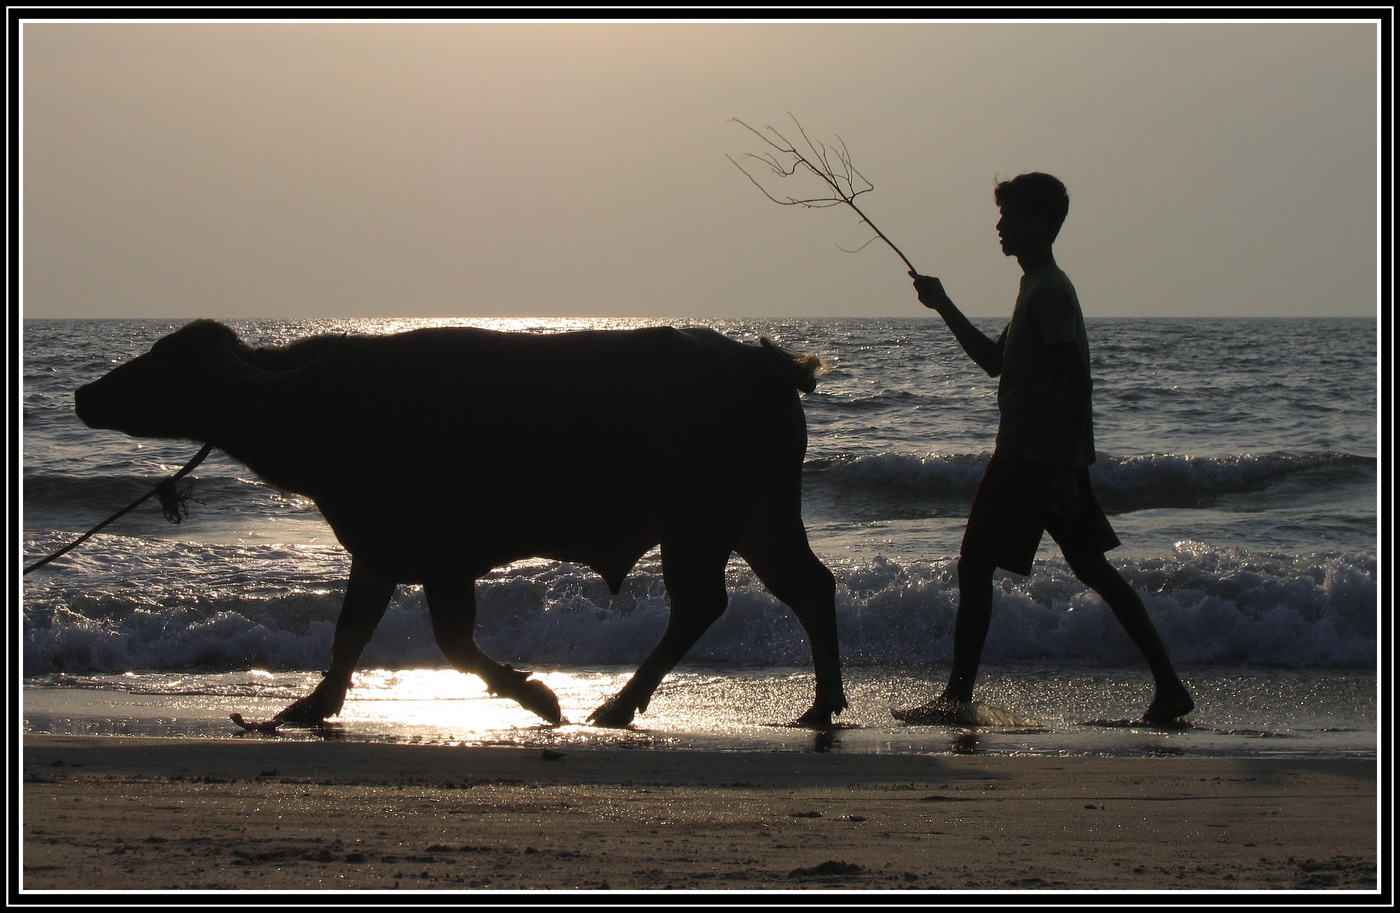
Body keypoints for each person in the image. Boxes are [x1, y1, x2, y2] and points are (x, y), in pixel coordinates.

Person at [896, 172, 1194, 727]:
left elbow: (1076, 379)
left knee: (976, 564)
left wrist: (1059, 468)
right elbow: (995, 363)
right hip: (1047, 460)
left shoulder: (1049, 290)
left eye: (1009, 216)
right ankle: (1170, 687)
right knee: (1090, 569)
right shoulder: (1034, 287)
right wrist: (942, 305)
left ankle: (957, 697)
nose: (1000, 226)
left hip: (1033, 461)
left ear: (1038, 223)